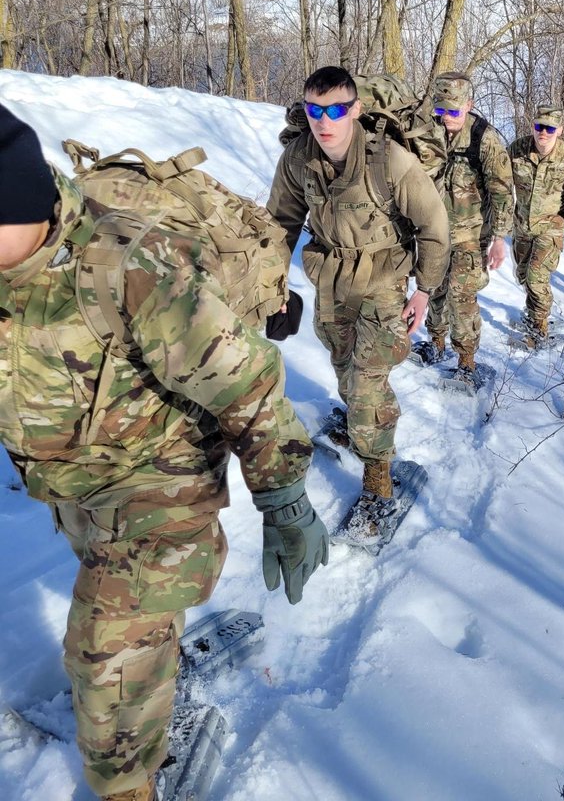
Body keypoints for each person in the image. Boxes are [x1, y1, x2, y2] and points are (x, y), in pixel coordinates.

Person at [0, 102, 327, 801]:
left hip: (163, 484)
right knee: (124, 631)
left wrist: (284, 497)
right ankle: (148, 670)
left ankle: (127, 785)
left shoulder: (128, 270)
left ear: (22, 212)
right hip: (76, 483)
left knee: (103, 654)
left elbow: (247, 383)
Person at [267, 66, 449, 516]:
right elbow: (279, 225)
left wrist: (423, 291)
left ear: (355, 110)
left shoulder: (390, 161)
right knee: (344, 368)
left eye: (336, 110)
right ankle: (359, 428)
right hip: (330, 278)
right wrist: (271, 285)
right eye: (314, 110)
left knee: (368, 385)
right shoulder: (298, 159)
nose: (324, 121)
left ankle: (378, 481)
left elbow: (434, 227)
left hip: (384, 281)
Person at [412, 72, 513, 385]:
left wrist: (499, 239)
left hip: (470, 236)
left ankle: (466, 361)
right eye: (440, 111)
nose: (445, 119)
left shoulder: (486, 139)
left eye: (453, 112)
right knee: (433, 289)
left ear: (469, 105)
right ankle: (436, 342)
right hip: (433, 232)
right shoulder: (428, 133)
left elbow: (502, 191)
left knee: (461, 295)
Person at [507, 105, 564, 343]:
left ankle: (539, 328)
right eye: (539, 126)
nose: (543, 132)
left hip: (551, 228)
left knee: (536, 277)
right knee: (523, 274)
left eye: (549, 128)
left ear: (559, 130)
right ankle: (533, 312)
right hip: (522, 225)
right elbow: (498, 179)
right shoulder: (517, 149)